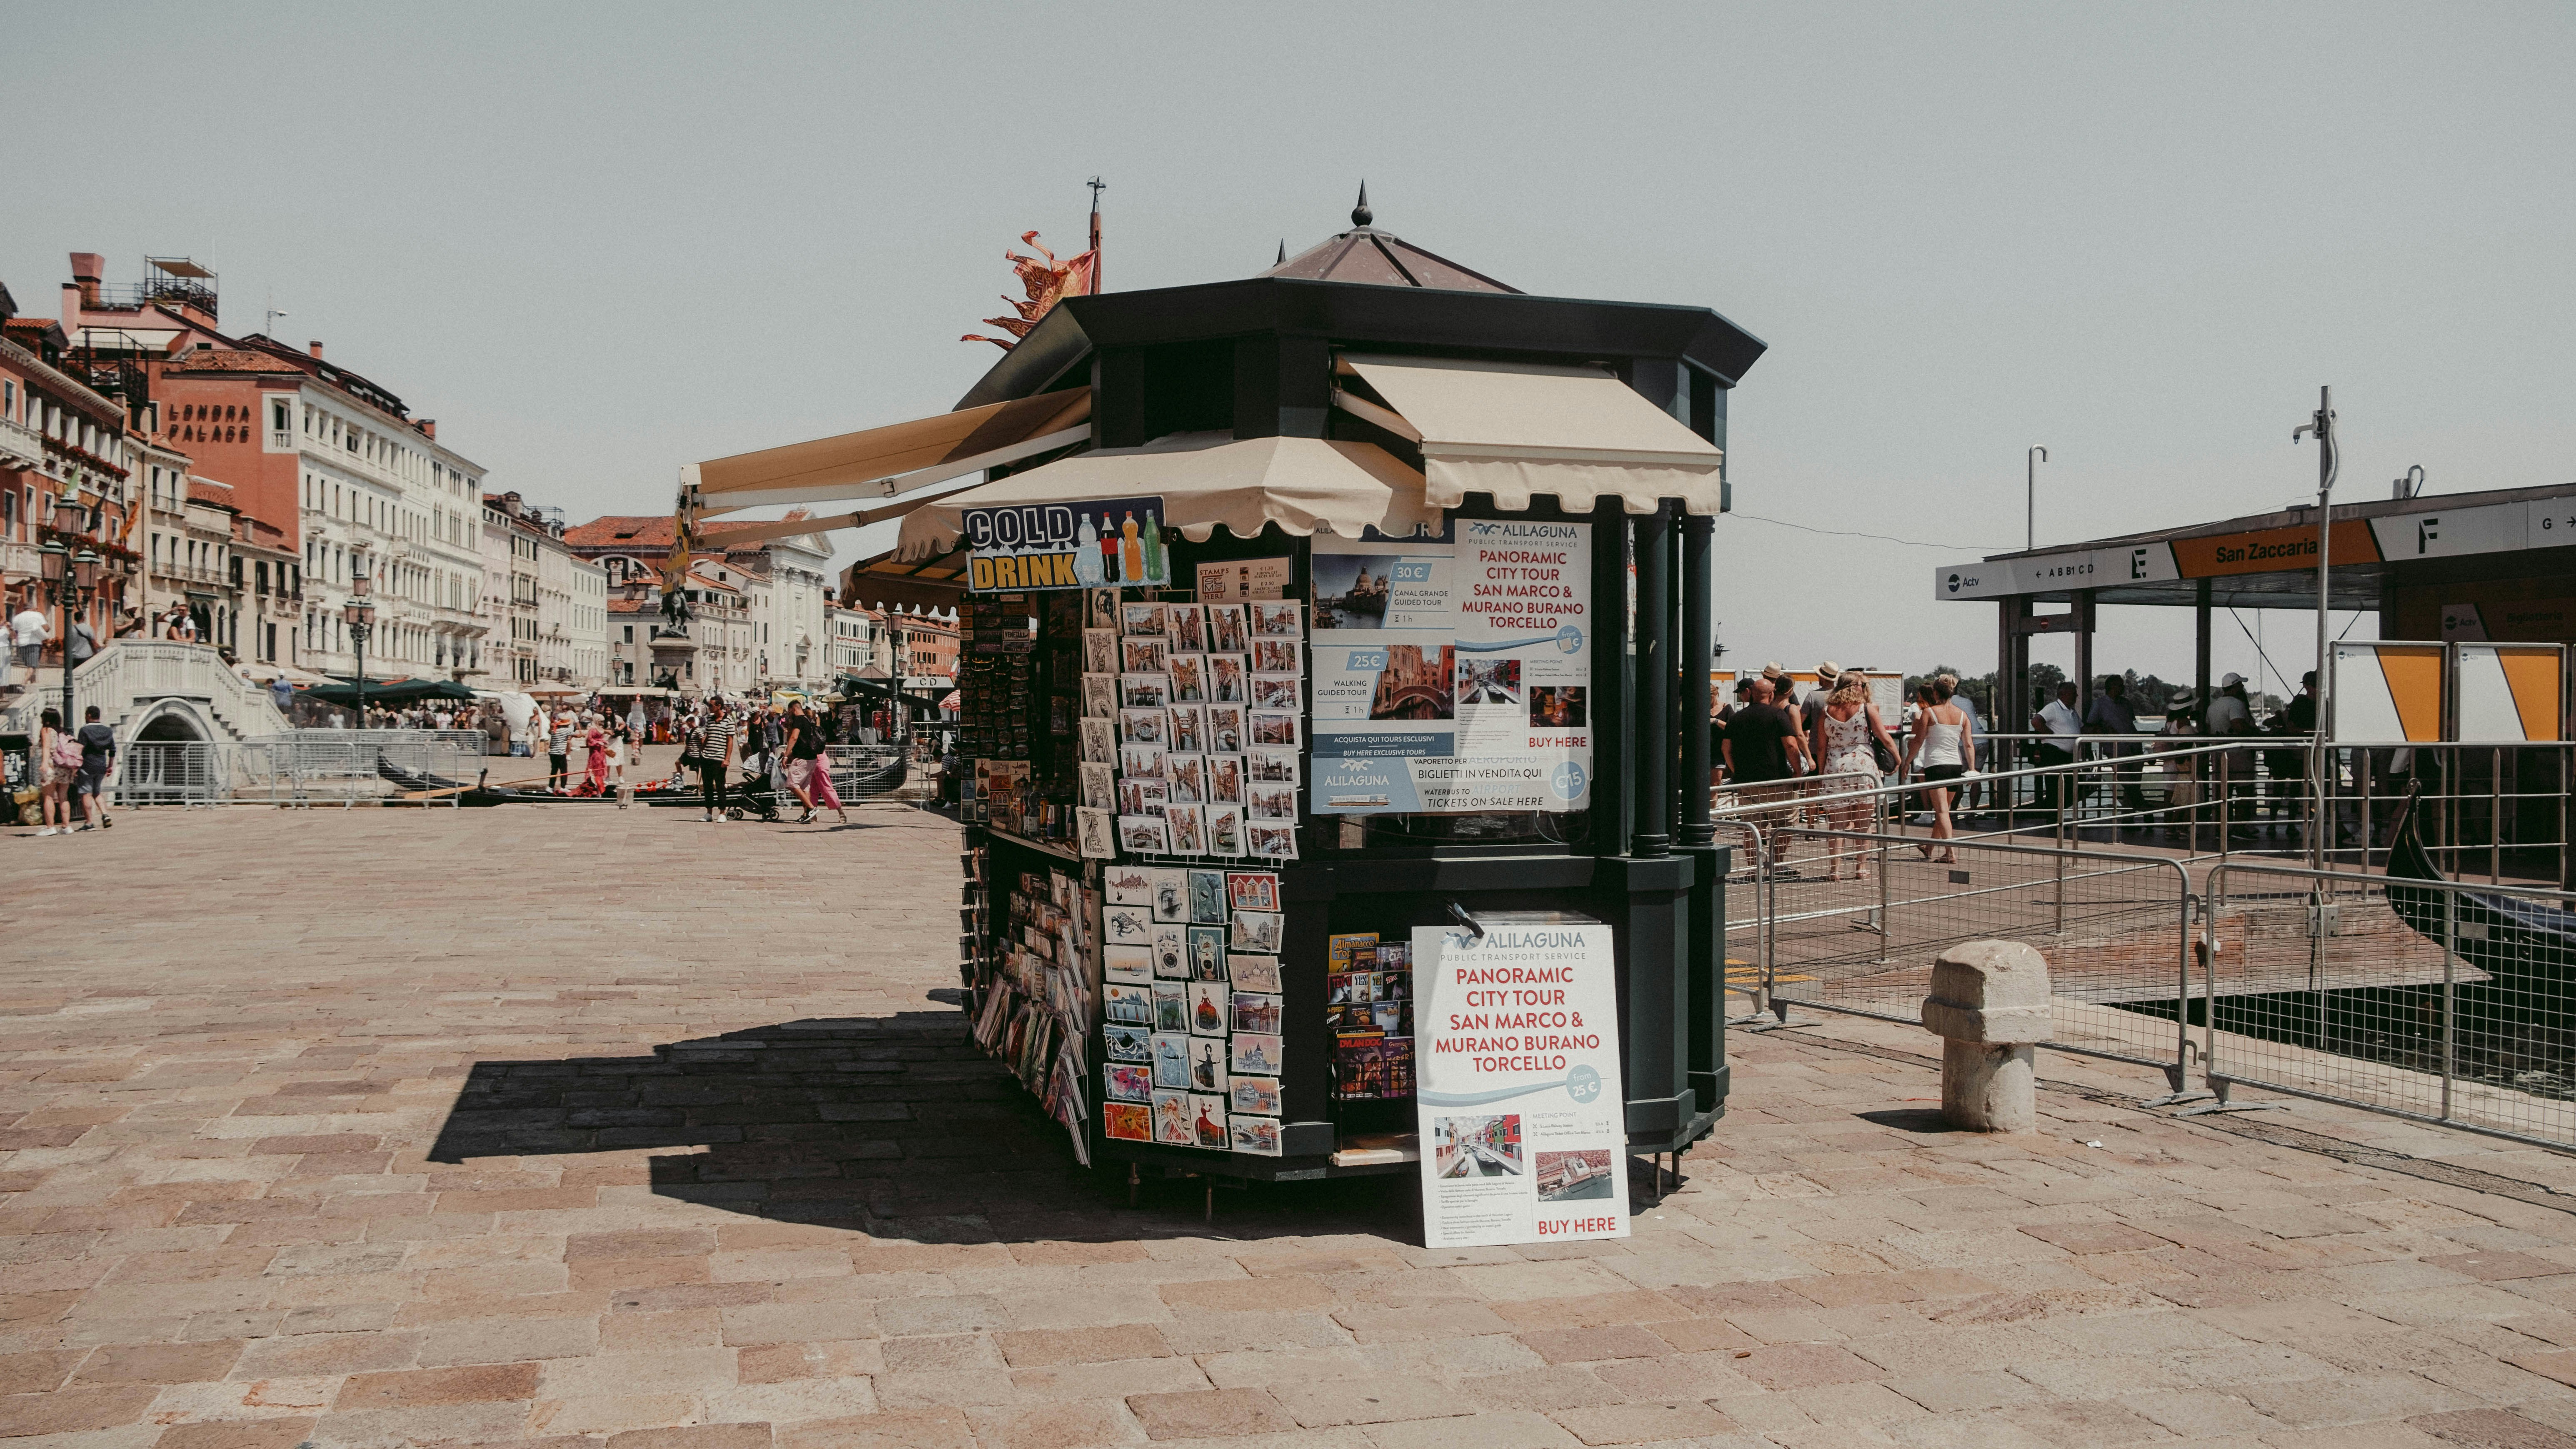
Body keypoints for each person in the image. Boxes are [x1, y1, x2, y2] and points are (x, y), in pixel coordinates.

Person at [1811, 670, 1900, 881]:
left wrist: (1823, 774)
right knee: (1863, 824)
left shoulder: (1827, 711)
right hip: (1863, 767)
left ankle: (1835, 870)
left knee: (1837, 824)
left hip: (1836, 767)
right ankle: (1861, 868)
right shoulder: (1867, 709)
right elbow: (1885, 738)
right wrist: (1898, 759)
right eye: (1862, 685)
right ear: (1855, 687)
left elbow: (1822, 747)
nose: (1864, 688)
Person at [1720, 676, 1808, 853]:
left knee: (1752, 827)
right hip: (1777, 781)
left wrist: (1737, 770)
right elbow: (1791, 746)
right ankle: (1776, 864)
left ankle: (1753, 868)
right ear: (1771, 695)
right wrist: (1798, 772)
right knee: (1784, 824)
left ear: (1751, 694)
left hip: (1747, 782)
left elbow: (1725, 749)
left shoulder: (1737, 718)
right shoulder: (1778, 715)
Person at [1902, 680, 1975, 864]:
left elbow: (1918, 741)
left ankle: (1950, 853)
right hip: (1955, 765)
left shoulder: (1929, 712)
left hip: (1936, 765)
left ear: (1936, 694)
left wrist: (1907, 763)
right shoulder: (1962, 715)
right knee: (1944, 810)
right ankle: (1930, 848)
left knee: (1942, 811)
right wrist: (1973, 769)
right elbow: (1968, 744)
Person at [2083, 674, 2147, 819]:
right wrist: (2105, 729)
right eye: (2120, 685)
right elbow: (2090, 725)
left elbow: (2130, 723)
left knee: (2134, 784)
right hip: (2116, 750)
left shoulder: (2127, 703)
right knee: (2128, 784)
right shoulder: (2099, 704)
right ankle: (2147, 810)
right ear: (2112, 687)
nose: (2123, 688)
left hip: (2134, 748)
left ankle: (2127, 819)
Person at [2031, 680, 2082, 814]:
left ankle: (2055, 814)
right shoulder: (2053, 708)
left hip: (2068, 756)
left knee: (2074, 786)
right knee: (2054, 788)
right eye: (2074, 694)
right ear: (2064, 694)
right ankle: (2053, 819)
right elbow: (2036, 721)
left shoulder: (2072, 711)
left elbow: (2082, 728)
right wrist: (2048, 733)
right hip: (2053, 752)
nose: (2077, 697)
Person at [33, 707, 76, 836]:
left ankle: (50, 827)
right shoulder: (61, 732)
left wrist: (44, 764)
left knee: (48, 797)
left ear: (45, 719)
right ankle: (66, 826)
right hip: (64, 768)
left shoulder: (46, 730)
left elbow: (46, 747)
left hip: (51, 766)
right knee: (64, 797)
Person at [72, 705, 115, 831]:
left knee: (86, 793)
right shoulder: (108, 731)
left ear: (89, 715)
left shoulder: (85, 730)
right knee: (97, 792)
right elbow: (113, 750)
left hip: (87, 766)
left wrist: (75, 766)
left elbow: (81, 749)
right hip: (101, 765)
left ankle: (89, 822)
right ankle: (105, 814)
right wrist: (110, 766)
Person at [690, 705, 737, 822]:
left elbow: (730, 740)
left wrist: (727, 759)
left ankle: (722, 812)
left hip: (720, 758)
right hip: (707, 757)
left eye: (712, 705)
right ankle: (709, 812)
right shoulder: (710, 719)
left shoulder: (729, 720)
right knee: (707, 786)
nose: (709, 708)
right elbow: (707, 737)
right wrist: (702, 751)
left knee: (720, 785)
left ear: (719, 706)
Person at [11, 603, 51, 691]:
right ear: (33, 608)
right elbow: (47, 628)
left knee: (31, 665)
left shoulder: (17, 618)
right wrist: (41, 633)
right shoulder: (37, 615)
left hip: (21, 644)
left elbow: (14, 633)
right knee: (32, 665)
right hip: (34, 643)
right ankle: (23, 684)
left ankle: (33, 684)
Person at [580, 718, 609, 797]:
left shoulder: (600, 728)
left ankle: (601, 787)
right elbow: (590, 739)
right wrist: (597, 743)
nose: (602, 723)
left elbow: (601, 738)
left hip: (601, 751)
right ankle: (596, 788)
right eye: (600, 721)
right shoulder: (593, 729)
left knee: (601, 767)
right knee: (596, 768)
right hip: (595, 751)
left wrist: (604, 742)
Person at [547, 709, 573, 789]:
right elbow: (575, 735)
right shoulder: (567, 730)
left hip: (553, 753)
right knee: (564, 771)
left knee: (554, 770)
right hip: (561, 754)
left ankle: (551, 787)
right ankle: (563, 787)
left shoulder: (555, 730)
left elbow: (549, 732)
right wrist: (582, 735)